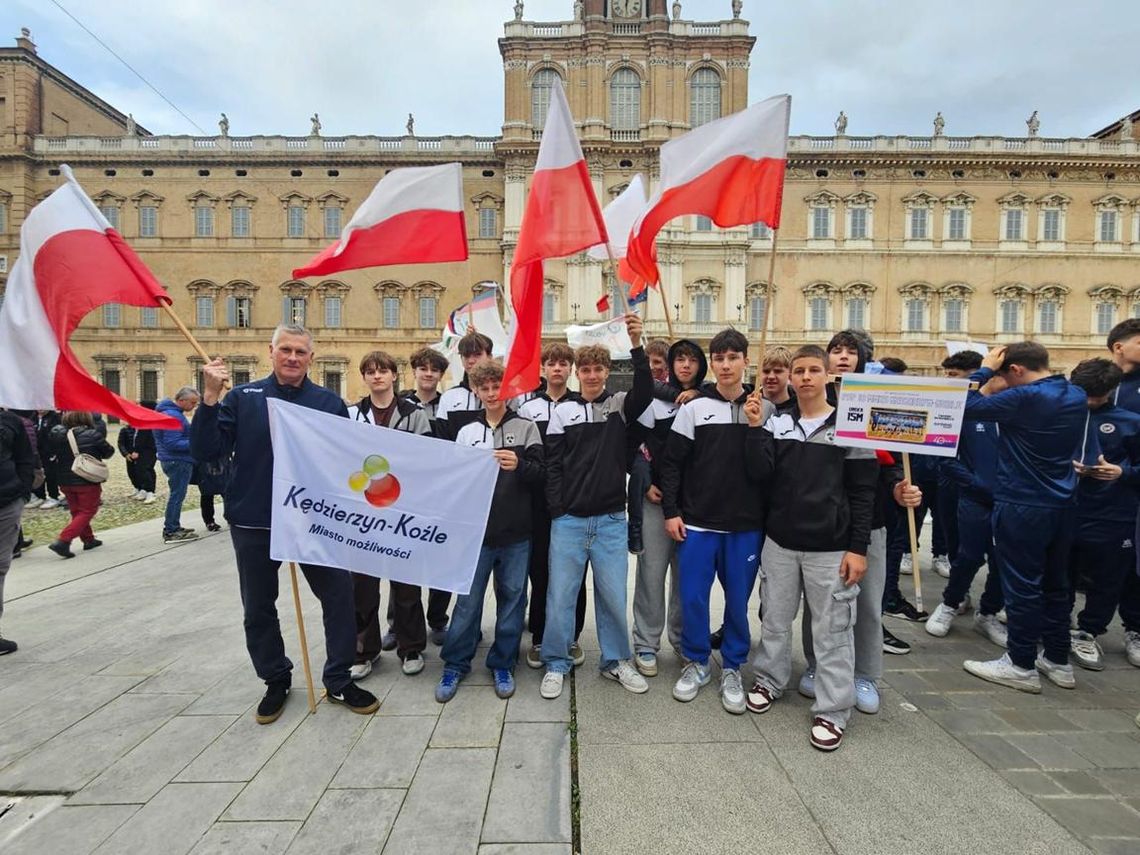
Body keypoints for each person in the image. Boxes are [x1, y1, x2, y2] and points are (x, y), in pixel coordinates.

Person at [190, 324, 379, 724]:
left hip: (313, 521)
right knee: (258, 606)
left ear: (312, 357)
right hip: (255, 519)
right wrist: (209, 397)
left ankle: (339, 678)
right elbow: (207, 451)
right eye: (285, 350)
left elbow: (343, 461)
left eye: (300, 352)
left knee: (340, 597)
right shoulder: (243, 398)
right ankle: (275, 678)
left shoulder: (327, 402)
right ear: (270, 351)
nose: (293, 358)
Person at [744, 346, 879, 751]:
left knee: (833, 629)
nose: (804, 377)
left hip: (830, 547)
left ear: (827, 376)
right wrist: (753, 430)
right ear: (789, 377)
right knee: (774, 620)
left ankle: (833, 709)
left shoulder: (850, 425)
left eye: (812, 370)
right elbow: (759, 475)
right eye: (798, 371)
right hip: (781, 542)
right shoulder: (777, 422)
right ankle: (769, 679)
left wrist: (858, 548)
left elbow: (863, 492)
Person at [799, 330, 921, 718]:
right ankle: (818, 665)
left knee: (867, 603)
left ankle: (864, 674)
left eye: (852, 352)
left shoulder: (877, 402)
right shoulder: (813, 402)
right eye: (836, 350)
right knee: (818, 605)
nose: (843, 357)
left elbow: (889, 464)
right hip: (821, 523)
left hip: (868, 523)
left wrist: (901, 491)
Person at [961, 342, 1088, 693]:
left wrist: (984, 369)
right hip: (1063, 502)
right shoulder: (1075, 393)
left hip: (1022, 503)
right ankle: (1058, 659)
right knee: (1057, 585)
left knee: (1022, 585)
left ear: (1015, 369)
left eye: (1004, 374)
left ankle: (1020, 664)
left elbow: (963, 404)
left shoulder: (1025, 398)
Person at [540, 313, 651, 700]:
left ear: (606, 371)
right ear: (576, 373)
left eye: (597, 368)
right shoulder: (562, 412)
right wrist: (557, 509)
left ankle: (616, 660)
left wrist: (637, 346)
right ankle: (556, 661)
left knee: (611, 594)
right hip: (569, 520)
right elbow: (553, 465)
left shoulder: (619, 406)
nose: (591, 375)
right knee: (561, 595)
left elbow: (646, 392)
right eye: (584, 368)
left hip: (609, 519)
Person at [662, 329, 769, 714]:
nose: (726, 365)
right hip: (698, 523)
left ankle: (734, 666)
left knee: (738, 602)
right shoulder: (694, 408)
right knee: (692, 597)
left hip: (744, 525)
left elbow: (765, 471)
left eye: (733, 358)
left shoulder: (764, 409)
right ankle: (696, 661)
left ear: (744, 361)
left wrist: (756, 426)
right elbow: (672, 464)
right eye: (719, 358)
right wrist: (672, 511)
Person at [437, 360, 544, 702]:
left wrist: (521, 465)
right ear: (476, 391)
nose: (491, 393)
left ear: (508, 388)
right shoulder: (468, 432)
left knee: (513, 600)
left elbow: (542, 473)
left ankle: (503, 661)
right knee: (467, 603)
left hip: (516, 533)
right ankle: (455, 663)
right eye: (484, 388)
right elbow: (455, 478)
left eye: (496, 386)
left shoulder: (527, 427)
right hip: (476, 534)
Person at [347, 350, 433, 678]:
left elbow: (425, 460)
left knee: (406, 586)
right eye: (370, 371)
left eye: (383, 370)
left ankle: (411, 648)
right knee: (362, 587)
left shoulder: (415, 414)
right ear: (364, 377)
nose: (377, 376)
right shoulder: (352, 414)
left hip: (402, 512)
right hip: (364, 514)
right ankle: (363, 651)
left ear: (394, 376)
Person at [632, 338, 706, 677]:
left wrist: (701, 398)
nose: (685, 365)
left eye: (692, 359)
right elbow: (632, 446)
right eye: (679, 359)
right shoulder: (654, 403)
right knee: (651, 574)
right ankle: (646, 643)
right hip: (657, 501)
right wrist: (645, 482)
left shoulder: (711, 401)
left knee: (686, 579)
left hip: (694, 504)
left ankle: (682, 640)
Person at [924, 353, 1008, 646]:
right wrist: (975, 483)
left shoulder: (1015, 412)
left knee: (1003, 561)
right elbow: (943, 456)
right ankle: (950, 603)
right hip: (973, 497)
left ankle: (988, 613)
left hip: (1010, 501)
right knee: (968, 555)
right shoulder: (965, 410)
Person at [1065, 358, 1140, 670]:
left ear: (1111, 390)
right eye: (1084, 394)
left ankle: (1088, 631)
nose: (1089, 402)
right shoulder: (1062, 416)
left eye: (1096, 396)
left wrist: (1121, 472)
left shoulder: (1131, 422)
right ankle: (1056, 625)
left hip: (1113, 514)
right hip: (1064, 510)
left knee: (1108, 579)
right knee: (1060, 573)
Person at [518, 343, 588, 669]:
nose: (557, 369)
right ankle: (540, 634)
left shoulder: (580, 403)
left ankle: (571, 635)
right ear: (543, 369)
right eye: (551, 363)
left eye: (563, 363)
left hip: (573, 500)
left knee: (574, 571)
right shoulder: (528, 408)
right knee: (540, 571)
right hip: (536, 501)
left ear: (571, 369)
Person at [47, 411, 114, 559]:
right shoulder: (91, 434)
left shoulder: (57, 434)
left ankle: (88, 539)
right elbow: (108, 452)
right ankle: (63, 540)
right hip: (85, 478)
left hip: (64, 479)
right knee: (87, 511)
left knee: (77, 511)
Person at [0, 408, 34, 653]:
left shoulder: (10, 421)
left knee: (0, 565)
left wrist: (21, 493)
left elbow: (25, 458)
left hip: (6, 500)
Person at [155, 388, 201, 543]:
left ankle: (173, 525)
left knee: (177, 495)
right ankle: (171, 530)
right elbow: (172, 443)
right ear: (181, 400)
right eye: (192, 402)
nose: (194, 406)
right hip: (177, 460)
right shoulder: (173, 415)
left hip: (173, 459)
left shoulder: (170, 413)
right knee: (177, 496)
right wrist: (196, 442)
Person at [401, 346, 450, 437]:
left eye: (434, 370)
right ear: (414, 372)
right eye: (423, 369)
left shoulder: (447, 407)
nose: (429, 374)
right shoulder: (401, 405)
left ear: (441, 375)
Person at [118, 414, 157, 503]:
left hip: (142, 454)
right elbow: (121, 443)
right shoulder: (125, 430)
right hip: (131, 455)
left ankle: (149, 491)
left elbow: (143, 441)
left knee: (145, 472)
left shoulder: (144, 429)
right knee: (133, 473)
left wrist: (137, 451)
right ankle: (139, 489)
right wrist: (126, 454)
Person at [30, 410, 63, 509]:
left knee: (51, 474)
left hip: (50, 451)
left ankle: (54, 496)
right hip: (36, 452)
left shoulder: (54, 417)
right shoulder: (33, 417)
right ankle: (39, 495)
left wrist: (55, 451)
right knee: (38, 473)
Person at [760, 345, 795, 414]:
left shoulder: (801, 408)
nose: (771, 377)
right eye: (766, 371)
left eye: (778, 371)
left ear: (790, 374)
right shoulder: (748, 406)